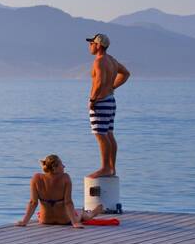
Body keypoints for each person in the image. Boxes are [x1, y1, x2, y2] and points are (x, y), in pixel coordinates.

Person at [85, 33, 130, 179]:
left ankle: (105, 168)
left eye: (91, 43)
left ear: (98, 45)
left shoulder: (99, 61)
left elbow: (99, 82)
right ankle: (111, 168)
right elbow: (126, 73)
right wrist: (112, 87)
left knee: (101, 135)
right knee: (109, 134)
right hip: (110, 100)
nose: (89, 46)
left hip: (101, 101)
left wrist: (92, 100)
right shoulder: (111, 60)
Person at [16, 154, 103, 228]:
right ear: (55, 167)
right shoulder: (65, 178)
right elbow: (68, 202)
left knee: (74, 210)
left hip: (45, 220)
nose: (64, 166)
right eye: (62, 164)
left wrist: (24, 222)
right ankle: (92, 213)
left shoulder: (36, 178)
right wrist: (75, 223)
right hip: (64, 220)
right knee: (80, 212)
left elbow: (33, 203)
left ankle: (88, 212)